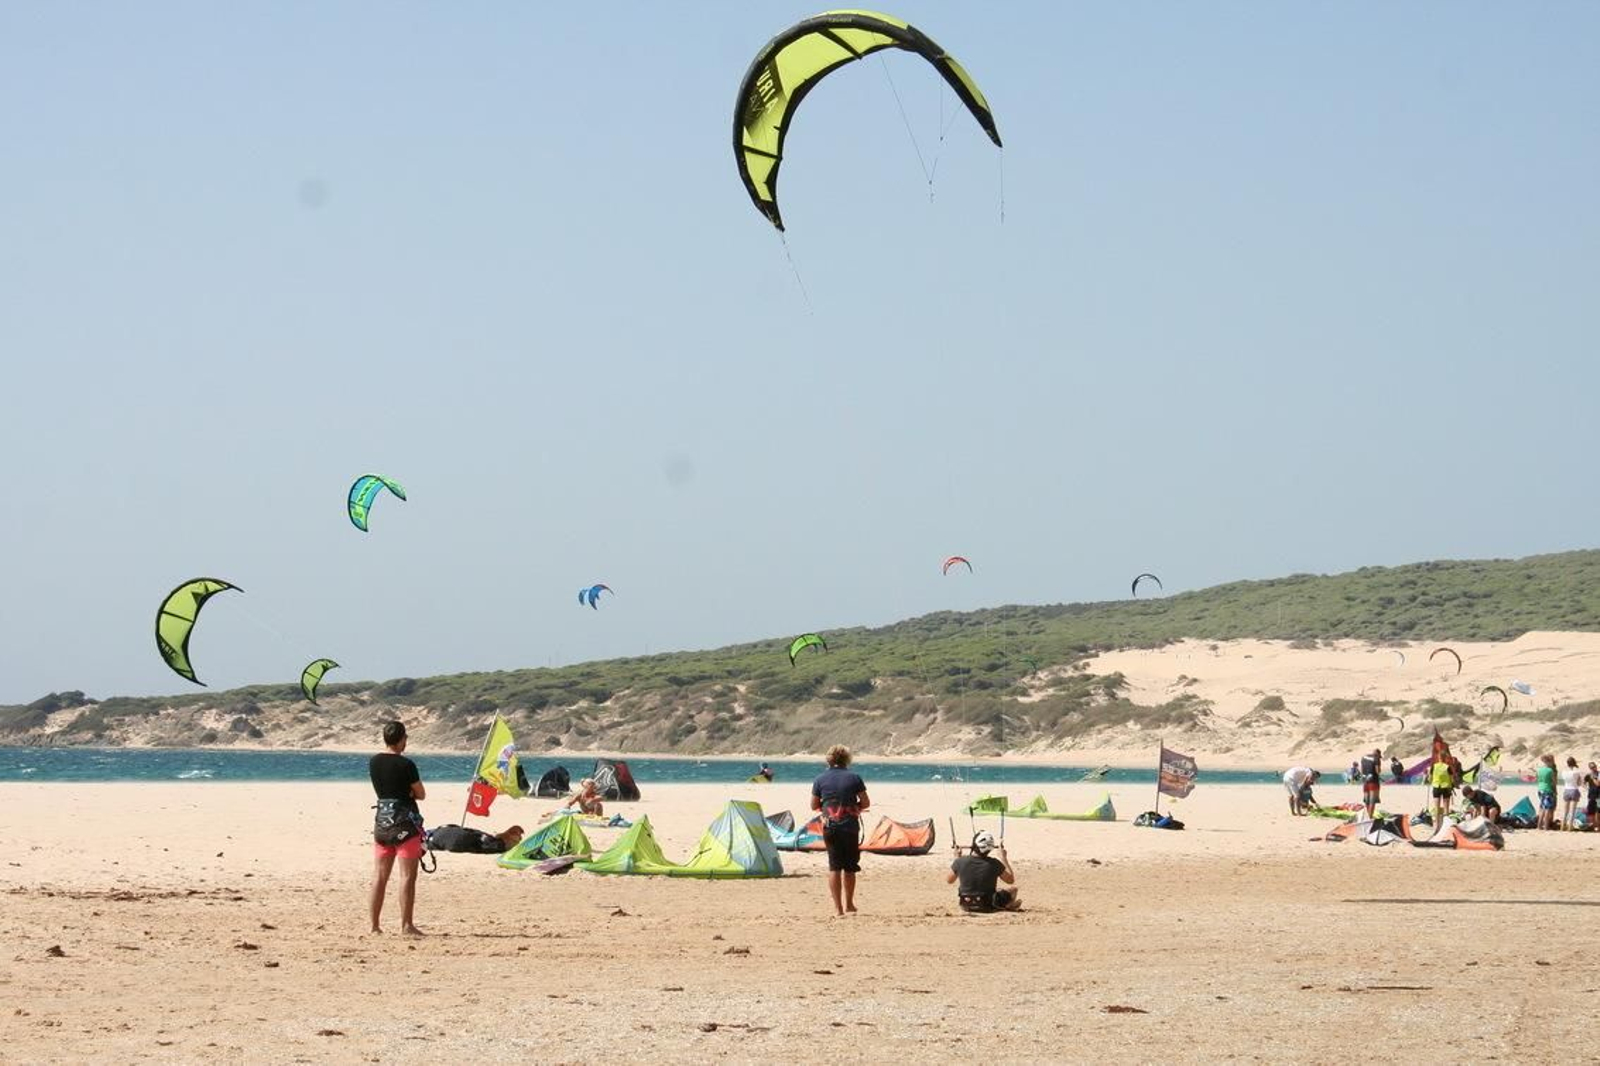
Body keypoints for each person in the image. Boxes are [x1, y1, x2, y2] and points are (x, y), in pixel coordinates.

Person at [369, 720, 426, 936]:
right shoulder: (406, 764)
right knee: (407, 877)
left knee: (379, 876)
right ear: (402, 739)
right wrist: (409, 792)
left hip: (382, 823)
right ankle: (406, 925)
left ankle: (374, 926)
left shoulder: (374, 762)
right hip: (404, 825)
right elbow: (421, 794)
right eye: (405, 738)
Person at [811, 745, 870, 917]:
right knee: (850, 867)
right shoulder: (855, 778)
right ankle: (849, 904)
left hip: (830, 827)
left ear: (829, 760)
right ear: (847, 759)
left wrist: (827, 807)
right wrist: (853, 807)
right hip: (850, 827)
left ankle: (838, 909)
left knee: (834, 866)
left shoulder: (820, 779)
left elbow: (814, 805)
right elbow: (866, 802)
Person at [947, 830, 1020, 913]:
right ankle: (1006, 906)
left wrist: (957, 858)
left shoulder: (960, 861)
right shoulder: (994, 863)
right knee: (1013, 889)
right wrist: (1003, 857)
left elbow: (949, 880)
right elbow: (1010, 880)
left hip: (966, 905)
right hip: (987, 906)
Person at [1429, 756, 1455, 826]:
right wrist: (1452, 785)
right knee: (1446, 808)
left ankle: (1437, 825)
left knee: (1436, 808)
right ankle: (1446, 825)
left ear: (1439, 758)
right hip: (1446, 788)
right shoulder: (1447, 767)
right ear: (1445, 759)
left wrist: (1431, 780)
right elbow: (1452, 779)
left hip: (1436, 787)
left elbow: (1429, 778)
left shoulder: (1434, 766)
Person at [1559, 756, 1583, 831]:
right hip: (1574, 790)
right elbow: (1579, 783)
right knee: (1572, 810)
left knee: (1565, 811)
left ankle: (1562, 826)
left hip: (1566, 790)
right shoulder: (1576, 772)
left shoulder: (1564, 772)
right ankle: (1570, 827)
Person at [1535, 754, 1557, 830]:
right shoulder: (1550, 770)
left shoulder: (1539, 770)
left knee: (1542, 808)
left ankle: (1539, 825)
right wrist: (1554, 790)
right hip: (1547, 789)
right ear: (1549, 762)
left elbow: (1537, 779)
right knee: (1547, 808)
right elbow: (1554, 782)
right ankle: (1546, 826)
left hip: (1540, 789)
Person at [1361, 748, 1382, 820]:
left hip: (1365, 781)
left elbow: (1362, 770)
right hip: (1373, 781)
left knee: (1367, 800)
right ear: (1378, 754)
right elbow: (1377, 771)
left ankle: (1368, 815)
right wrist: (1379, 769)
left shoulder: (1364, 757)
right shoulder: (1376, 758)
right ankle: (1370, 817)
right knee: (1372, 801)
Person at [1585, 762, 1600, 832]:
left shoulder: (1598, 774)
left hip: (1598, 794)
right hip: (1591, 794)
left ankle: (1597, 826)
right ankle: (1592, 826)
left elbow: (1598, 784)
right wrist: (1587, 788)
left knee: (1597, 811)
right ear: (1590, 768)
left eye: (1594, 766)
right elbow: (1583, 782)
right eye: (1591, 767)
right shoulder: (1588, 775)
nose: (1593, 768)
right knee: (1591, 811)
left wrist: (1593, 778)